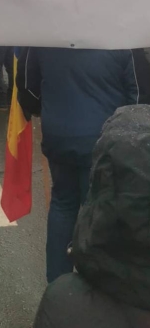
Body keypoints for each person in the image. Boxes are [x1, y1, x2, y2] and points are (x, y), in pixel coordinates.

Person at [17, 47, 142, 283]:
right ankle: (95, 286)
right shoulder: (121, 31)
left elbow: (27, 87)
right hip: (105, 139)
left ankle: (56, 280)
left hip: (59, 134)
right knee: (98, 212)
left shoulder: (46, 33)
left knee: (63, 203)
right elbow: (137, 95)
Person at [33, 105, 150, 328]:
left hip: (72, 136)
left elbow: (30, 90)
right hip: (117, 143)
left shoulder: (63, 306)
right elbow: (132, 89)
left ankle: (58, 272)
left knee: (69, 203)